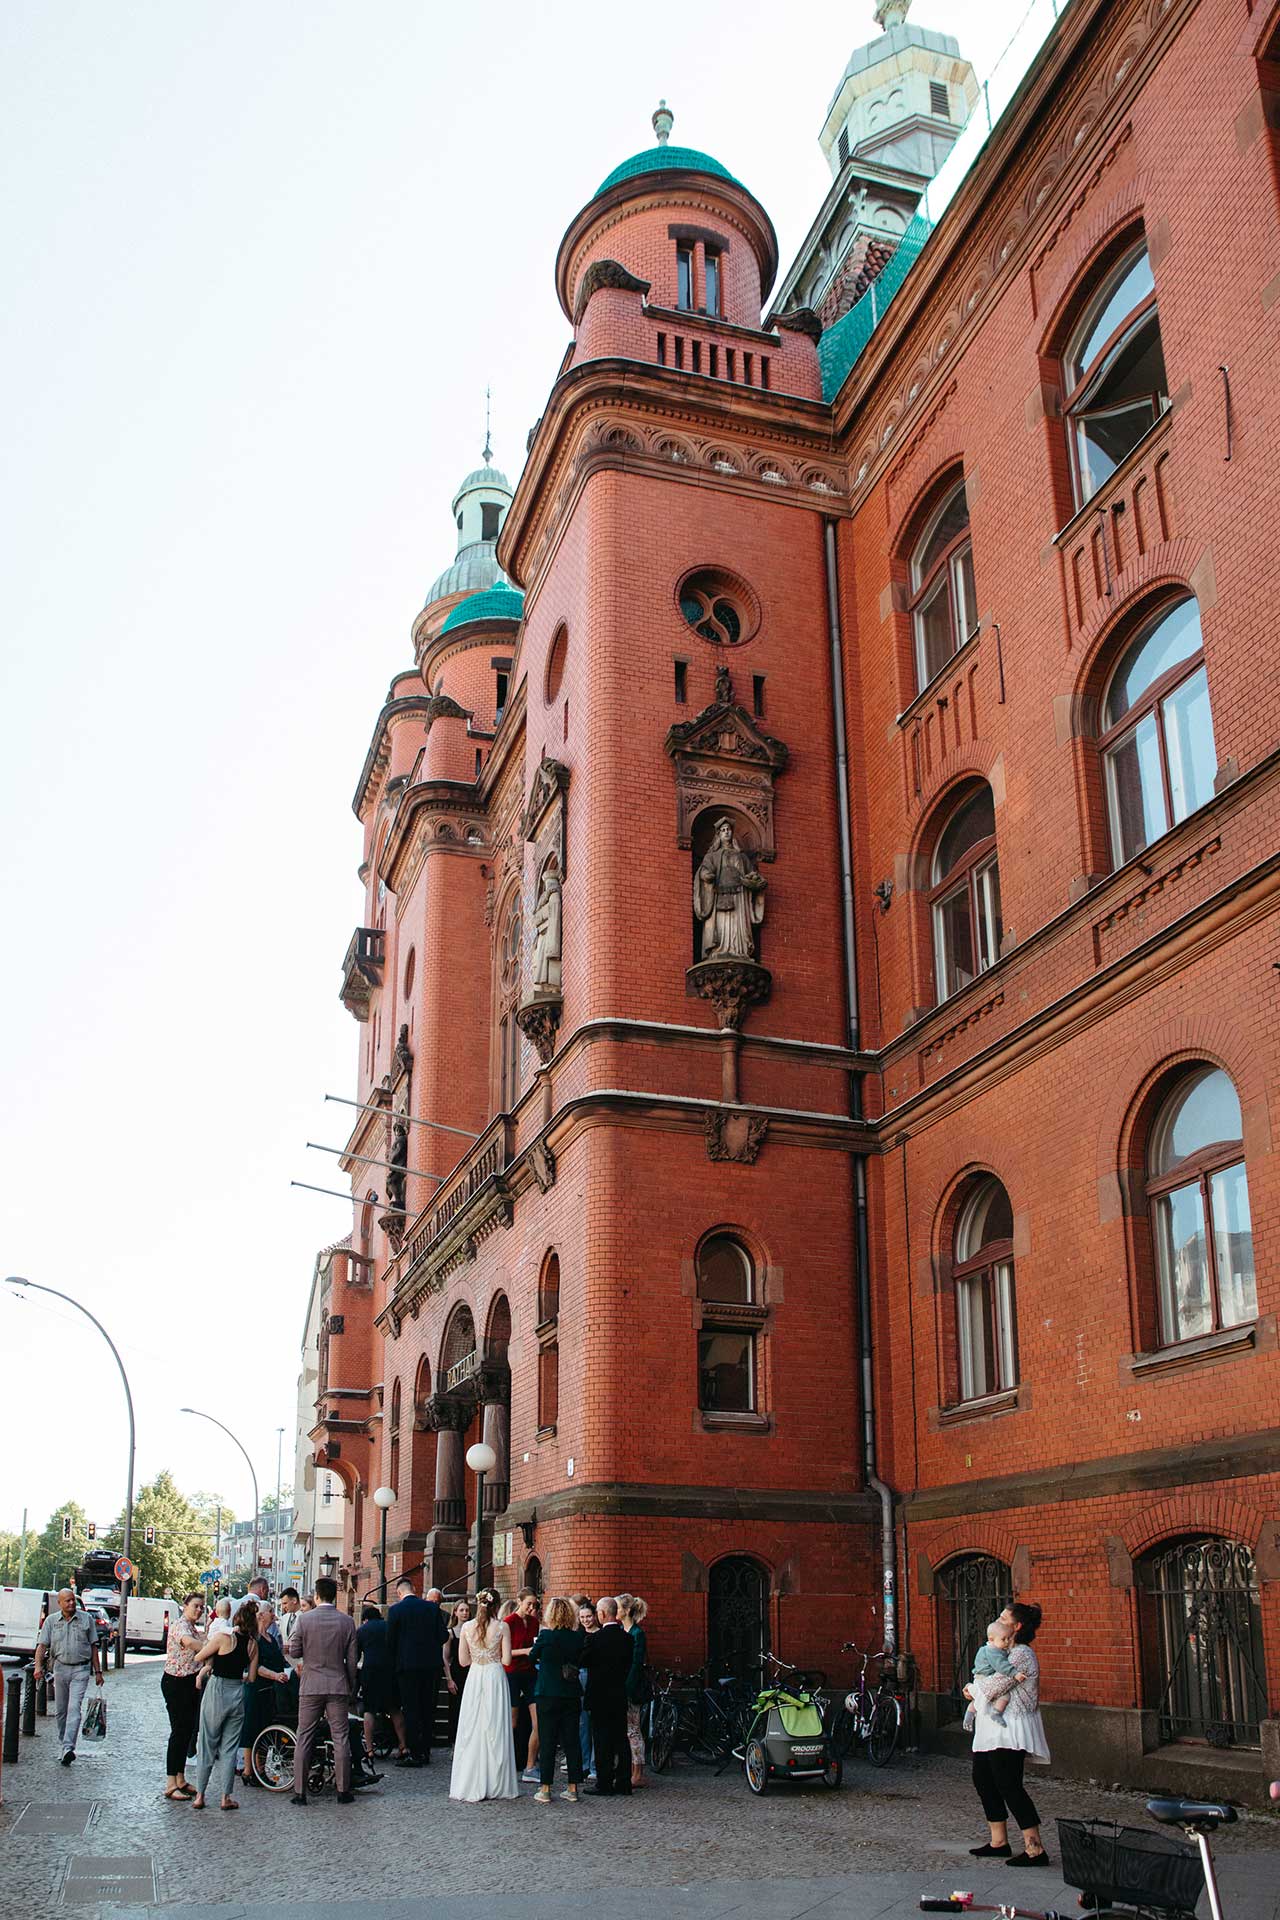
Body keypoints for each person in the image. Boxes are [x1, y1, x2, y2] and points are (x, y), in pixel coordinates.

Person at [969, 1601, 1051, 1867]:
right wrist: (976, 1686)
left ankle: (1035, 1848)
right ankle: (998, 1842)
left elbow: (992, 1685)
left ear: (1016, 1627)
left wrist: (971, 1687)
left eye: (1004, 1618)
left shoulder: (1022, 1655)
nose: (998, 1619)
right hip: (990, 1727)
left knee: (1009, 1784)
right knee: (983, 1779)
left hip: (1011, 1727)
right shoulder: (998, 1651)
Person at [289, 1576, 359, 1806]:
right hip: (337, 1684)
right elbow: (352, 1660)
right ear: (335, 1596)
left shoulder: (304, 1620)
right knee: (341, 1737)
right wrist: (350, 1685)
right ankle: (343, 1790)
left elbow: (296, 1650)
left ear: (316, 1596)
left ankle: (300, 1792)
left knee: (304, 1736)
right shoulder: (347, 1621)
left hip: (310, 1685)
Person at [449, 1587, 519, 1802]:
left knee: (472, 1727)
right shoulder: (502, 1626)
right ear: (497, 1605)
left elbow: (462, 1661)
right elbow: (507, 1660)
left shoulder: (468, 1627)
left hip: (475, 1675)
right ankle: (497, 1783)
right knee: (495, 1728)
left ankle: (469, 1781)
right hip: (495, 1676)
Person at [192, 1596, 259, 1810]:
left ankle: (200, 1796)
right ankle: (225, 1797)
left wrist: (209, 1664)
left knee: (207, 1744)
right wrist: (239, 1678)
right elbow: (252, 1678)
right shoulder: (252, 1645)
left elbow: (198, 1656)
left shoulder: (222, 1638)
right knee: (230, 1748)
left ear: (236, 1619)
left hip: (217, 1690)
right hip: (237, 1694)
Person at [34, 1588, 104, 1768]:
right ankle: (63, 1743)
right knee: (61, 1711)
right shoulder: (51, 1621)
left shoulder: (86, 1619)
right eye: (67, 1601)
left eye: (73, 1600)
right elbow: (42, 1646)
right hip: (60, 1669)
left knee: (74, 1708)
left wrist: (98, 1672)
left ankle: (68, 1748)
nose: (72, 1603)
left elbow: (94, 1647)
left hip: (80, 1669)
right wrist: (37, 1667)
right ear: (60, 1603)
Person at [529, 1595, 586, 1805]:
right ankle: (573, 1788)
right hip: (570, 1693)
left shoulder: (546, 1636)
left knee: (548, 1739)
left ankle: (545, 1788)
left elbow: (532, 1656)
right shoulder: (577, 1637)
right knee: (572, 1740)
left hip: (547, 1692)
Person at [386, 1575, 448, 1766]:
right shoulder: (431, 1608)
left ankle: (414, 1753)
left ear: (399, 1592)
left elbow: (391, 1642)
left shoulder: (395, 1610)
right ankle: (426, 1750)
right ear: (414, 1588)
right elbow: (443, 1636)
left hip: (407, 1667)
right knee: (428, 1709)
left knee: (411, 1709)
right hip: (431, 1666)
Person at [583, 1595, 632, 1796]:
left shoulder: (594, 1639)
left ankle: (604, 1783)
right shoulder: (628, 1639)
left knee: (602, 1740)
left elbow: (583, 1661)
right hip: (619, 1694)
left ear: (602, 1614)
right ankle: (623, 1782)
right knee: (621, 1739)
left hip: (599, 1695)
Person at [160, 1593, 206, 1799]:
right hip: (176, 1682)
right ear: (185, 1605)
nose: (199, 1610)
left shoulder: (192, 1626)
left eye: (202, 1608)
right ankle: (170, 1783)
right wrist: (210, 1648)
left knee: (187, 1732)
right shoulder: (181, 1626)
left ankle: (180, 1778)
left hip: (189, 1681)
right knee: (178, 1733)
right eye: (195, 1606)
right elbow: (188, 1643)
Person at [241, 1603, 290, 1784]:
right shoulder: (253, 1638)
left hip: (270, 1690)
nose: (273, 1615)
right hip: (256, 1688)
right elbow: (254, 1666)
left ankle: (259, 1768)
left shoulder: (270, 1637)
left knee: (264, 1728)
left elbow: (280, 1661)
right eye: (270, 1611)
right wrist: (275, 1675)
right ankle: (249, 1770)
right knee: (251, 1729)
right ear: (261, 1615)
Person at [357, 1601, 406, 1765]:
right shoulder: (388, 1627)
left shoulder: (362, 1630)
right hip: (390, 1672)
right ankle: (403, 1745)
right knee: (395, 1709)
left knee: (369, 1710)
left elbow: (356, 1656)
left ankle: (369, 1750)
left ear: (365, 1619)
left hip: (370, 1673)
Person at [505, 1587, 541, 1782]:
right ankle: (507, 1761)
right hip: (512, 1673)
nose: (531, 1607)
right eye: (528, 1603)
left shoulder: (535, 1622)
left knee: (538, 1721)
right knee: (513, 1721)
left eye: (534, 1604)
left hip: (530, 1673)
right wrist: (526, 1651)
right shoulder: (509, 1622)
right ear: (519, 1601)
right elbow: (505, 1652)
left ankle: (530, 1765)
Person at [618, 1593, 650, 1788]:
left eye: (618, 1607)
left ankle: (638, 1772)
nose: (616, 1611)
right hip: (623, 1685)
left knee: (634, 1730)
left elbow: (636, 1664)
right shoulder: (624, 1631)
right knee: (628, 1730)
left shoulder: (637, 1634)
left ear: (626, 1610)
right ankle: (631, 1769)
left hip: (632, 1688)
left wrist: (626, 1688)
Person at [968, 1618, 1019, 1728]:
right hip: (985, 1678)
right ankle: (996, 1713)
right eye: (1003, 1639)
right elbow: (1001, 1665)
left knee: (982, 1698)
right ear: (991, 1639)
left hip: (980, 1677)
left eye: (1008, 1639)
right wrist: (1015, 1673)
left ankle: (970, 1712)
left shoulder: (991, 1648)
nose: (1006, 1642)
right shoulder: (992, 1651)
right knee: (1005, 1696)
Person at [574, 1594, 599, 1781]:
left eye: (588, 1617)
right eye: (582, 1617)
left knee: (596, 1722)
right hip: (581, 1676)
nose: (585, 1620)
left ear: (595, 1615)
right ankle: (584, 1763)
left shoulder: (601, 1634)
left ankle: (594, 1765)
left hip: (596, 1677)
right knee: (583, 1724)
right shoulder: (578, 1635)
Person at [445, 1599, 471, 1747]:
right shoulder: (451, 1633)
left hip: (471, 1671)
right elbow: (445, 1657)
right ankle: (455, 1742)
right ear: (455, 1612)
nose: (465, 1613)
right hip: (456, 1672)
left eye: (467, 1610)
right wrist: (449, 1679)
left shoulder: (472, 1630)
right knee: (456, 1707)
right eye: (461, 1610)